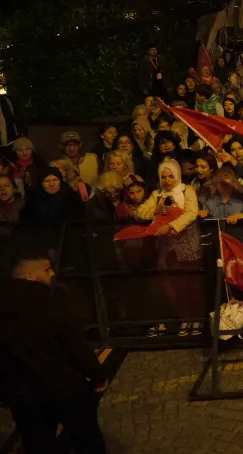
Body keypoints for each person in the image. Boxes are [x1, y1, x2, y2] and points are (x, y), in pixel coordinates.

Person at [0, 249, 109, 454]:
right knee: (87, 439)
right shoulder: (48, 302)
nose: (51, 274)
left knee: (38, 444)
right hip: (63, 387)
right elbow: (74, 342)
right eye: (47, 269)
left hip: (22, 396)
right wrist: (96, 375)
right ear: (30, 276)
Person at [134, 159, 203, 335]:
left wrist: (171, 226)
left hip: (188, 242)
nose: (167, 180)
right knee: (176, 285)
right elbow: (139, 213)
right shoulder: (157, 194)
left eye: (171, 176)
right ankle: (185, 320)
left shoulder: (187, 190)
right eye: (163, 176)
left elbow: (191, 213)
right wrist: (155, 211)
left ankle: (198, 319)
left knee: (192, 284)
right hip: (167, 246)